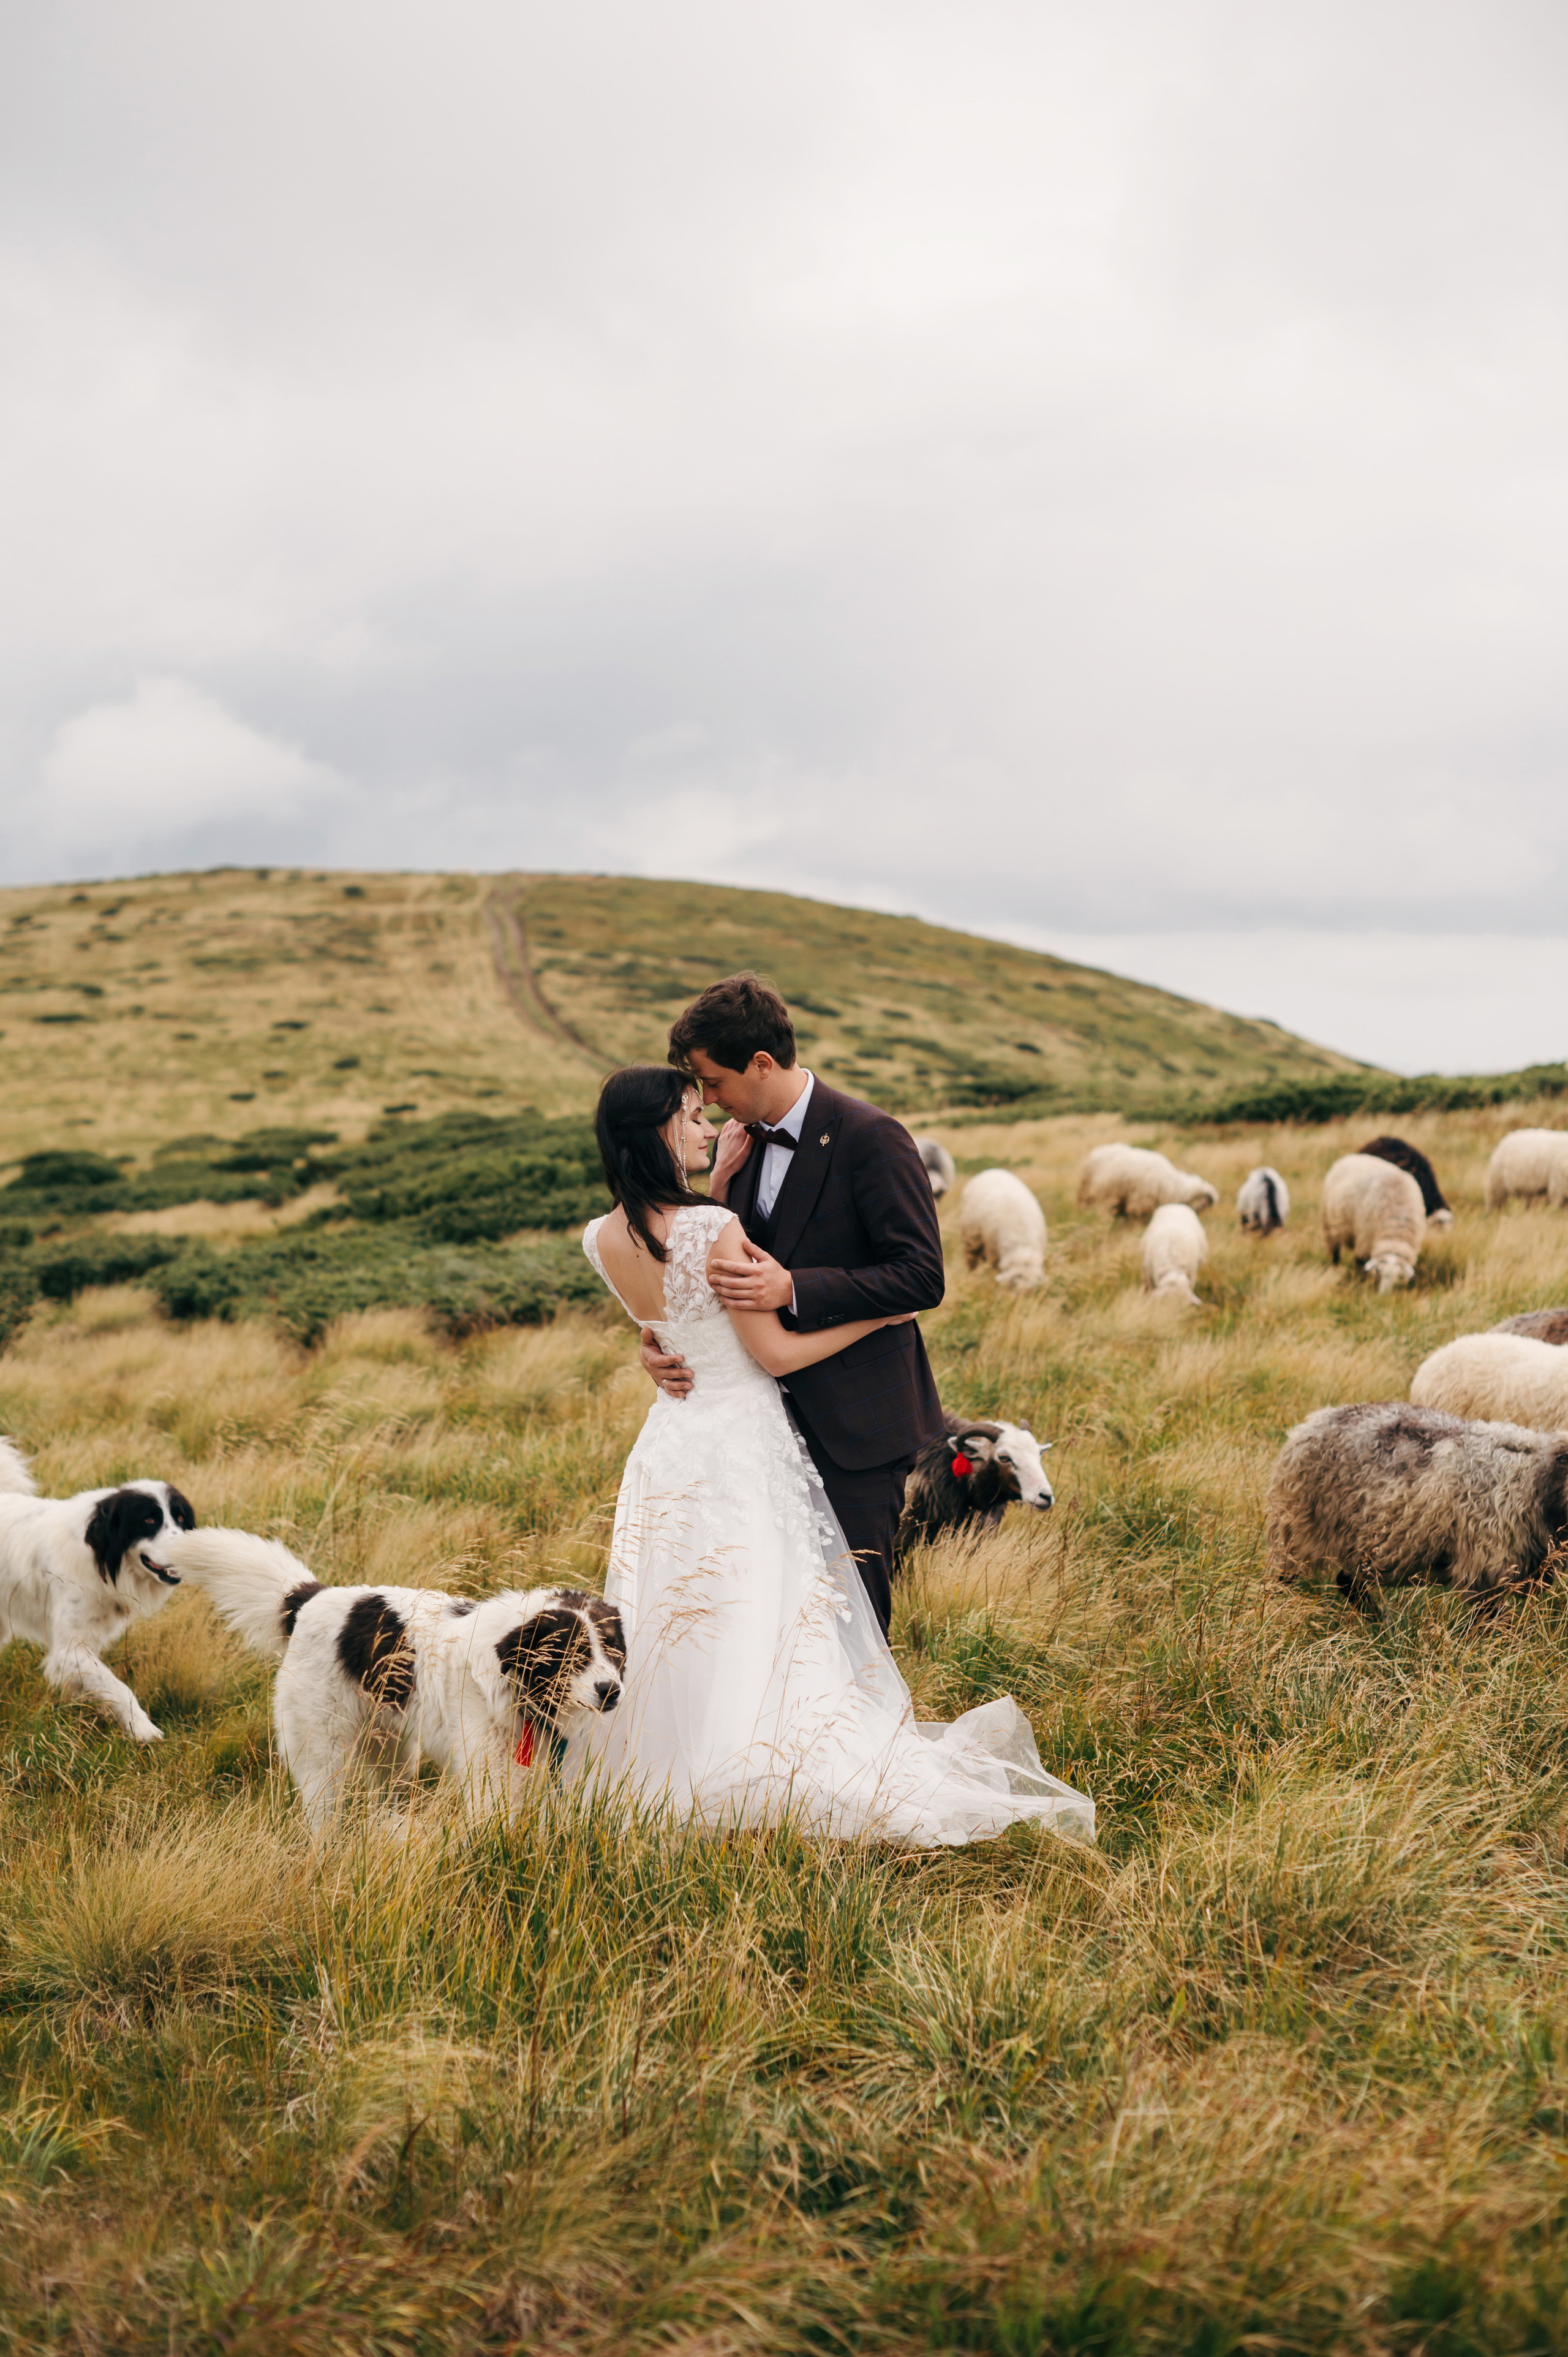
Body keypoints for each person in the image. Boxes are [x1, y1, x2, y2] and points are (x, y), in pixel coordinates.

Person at [575, 1061, 1093, 1847]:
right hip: (743, 1442)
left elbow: (675, 1301)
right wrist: (879, 1320)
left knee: (686, 1606)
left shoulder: (598, 1238)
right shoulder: (713, 1229)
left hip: (671, 1444)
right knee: (766, 1600)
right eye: (690, 1114)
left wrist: (713, 1188)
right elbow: (774, 1354)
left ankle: (676, 1768)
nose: (709, 1123)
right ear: (657, 1132)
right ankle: (764, 1764)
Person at [641, 972, 944, 1639]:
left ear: (762, 1064)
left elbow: (922, 1277)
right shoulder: (738, 1144)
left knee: (856, 1623)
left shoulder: (871, 1136)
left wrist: (797, 1288)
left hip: (856, 1427)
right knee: (778, 1624)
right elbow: (724, 1268)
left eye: (715, 1082)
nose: (710, 1100)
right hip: (761, 1430)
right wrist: (669, 1338)